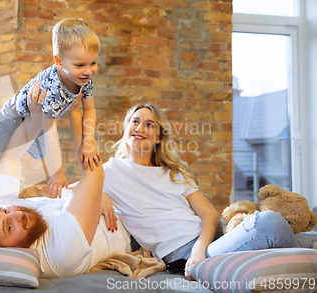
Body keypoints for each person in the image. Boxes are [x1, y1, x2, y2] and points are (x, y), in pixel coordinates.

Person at [100, 102, 316, 280]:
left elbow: (210, 215)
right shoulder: (111, 170)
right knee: (270, 222)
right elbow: (74, 192)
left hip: (212, 238)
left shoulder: (173, 173)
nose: (139, 128)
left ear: (158, 138)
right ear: (126, 129)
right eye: (135, 122)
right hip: (183, 254)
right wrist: (101, 196)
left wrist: (200, 247)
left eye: (149, 124)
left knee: (303, 238)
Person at [0, 83, 132, 278]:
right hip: (131, 220)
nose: (14, 214)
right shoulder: (59, 254)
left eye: (5, 210)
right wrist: (75, 110)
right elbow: (94, 174)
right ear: (6, 251)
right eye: (9, 227)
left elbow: (10, 156)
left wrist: (35, 118)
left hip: (102, 197)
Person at [0, 18, 101, 198]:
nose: (88, 71)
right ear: (59, 62)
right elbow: (50, 132)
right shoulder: (52, 88)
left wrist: (88, 142)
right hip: (16, 113)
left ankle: (0, 129)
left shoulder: (84, 80)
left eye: (93, 63)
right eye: (80, 65)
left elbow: (88, 109)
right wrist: (56, 172)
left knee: (39, 153)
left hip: (38, 118)